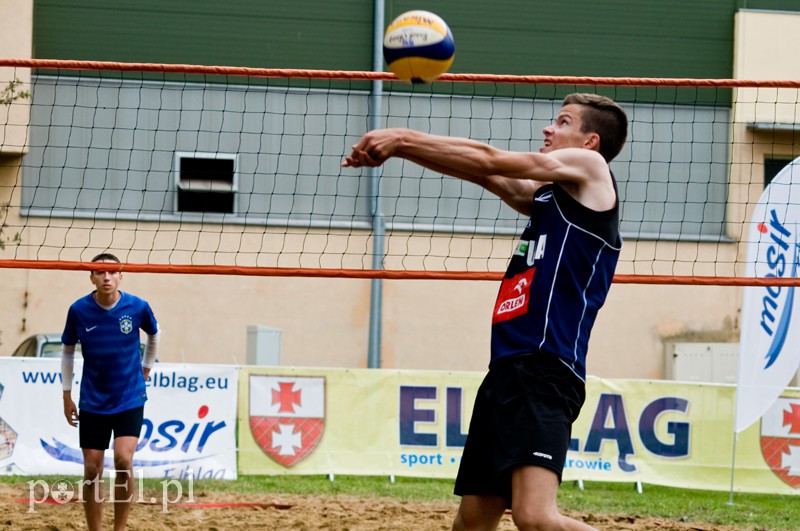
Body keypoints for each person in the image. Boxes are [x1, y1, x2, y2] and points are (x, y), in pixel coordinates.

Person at [343, 93, 628, 531]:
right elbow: (483, 171)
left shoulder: (593, 171)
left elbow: (491, 157)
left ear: (590, 141)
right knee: (472, 522)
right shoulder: (549, 200)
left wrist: (401, 136)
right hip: (507, 370)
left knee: (535, 517)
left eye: (562, 121)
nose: (548, 130)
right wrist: (402, 153)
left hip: (546, 368)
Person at [61, 252, 160, 531]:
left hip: (129, 397)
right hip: (92, 400)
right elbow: (68, 350)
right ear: (91, 277)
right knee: (92, 470)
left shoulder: (137, 307)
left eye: (112, 272)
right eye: (100, 272)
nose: (106, 277)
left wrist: (146, 368)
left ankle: (119, 528)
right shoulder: (78, 310)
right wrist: (66, 394)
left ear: (120, 276)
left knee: (123, 460)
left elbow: (154, 334)